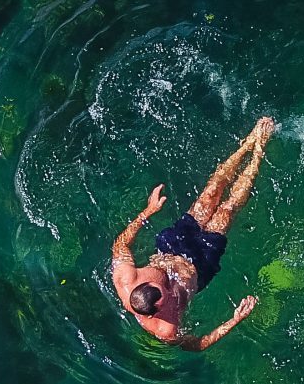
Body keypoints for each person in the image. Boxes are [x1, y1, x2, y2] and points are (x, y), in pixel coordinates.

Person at [111, 116, 275, 350]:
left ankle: (248, 143)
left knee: (209, 195)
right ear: (157, 309)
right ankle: (259, 152)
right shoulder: (166, 329)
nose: (165, 286)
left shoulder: (126, 280)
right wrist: (235, 319)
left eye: (158, 286)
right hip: (199, 265)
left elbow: (121, 244)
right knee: (226, 212)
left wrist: (148, 211)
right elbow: (197, 345)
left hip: (172, 247)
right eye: (164, 294)